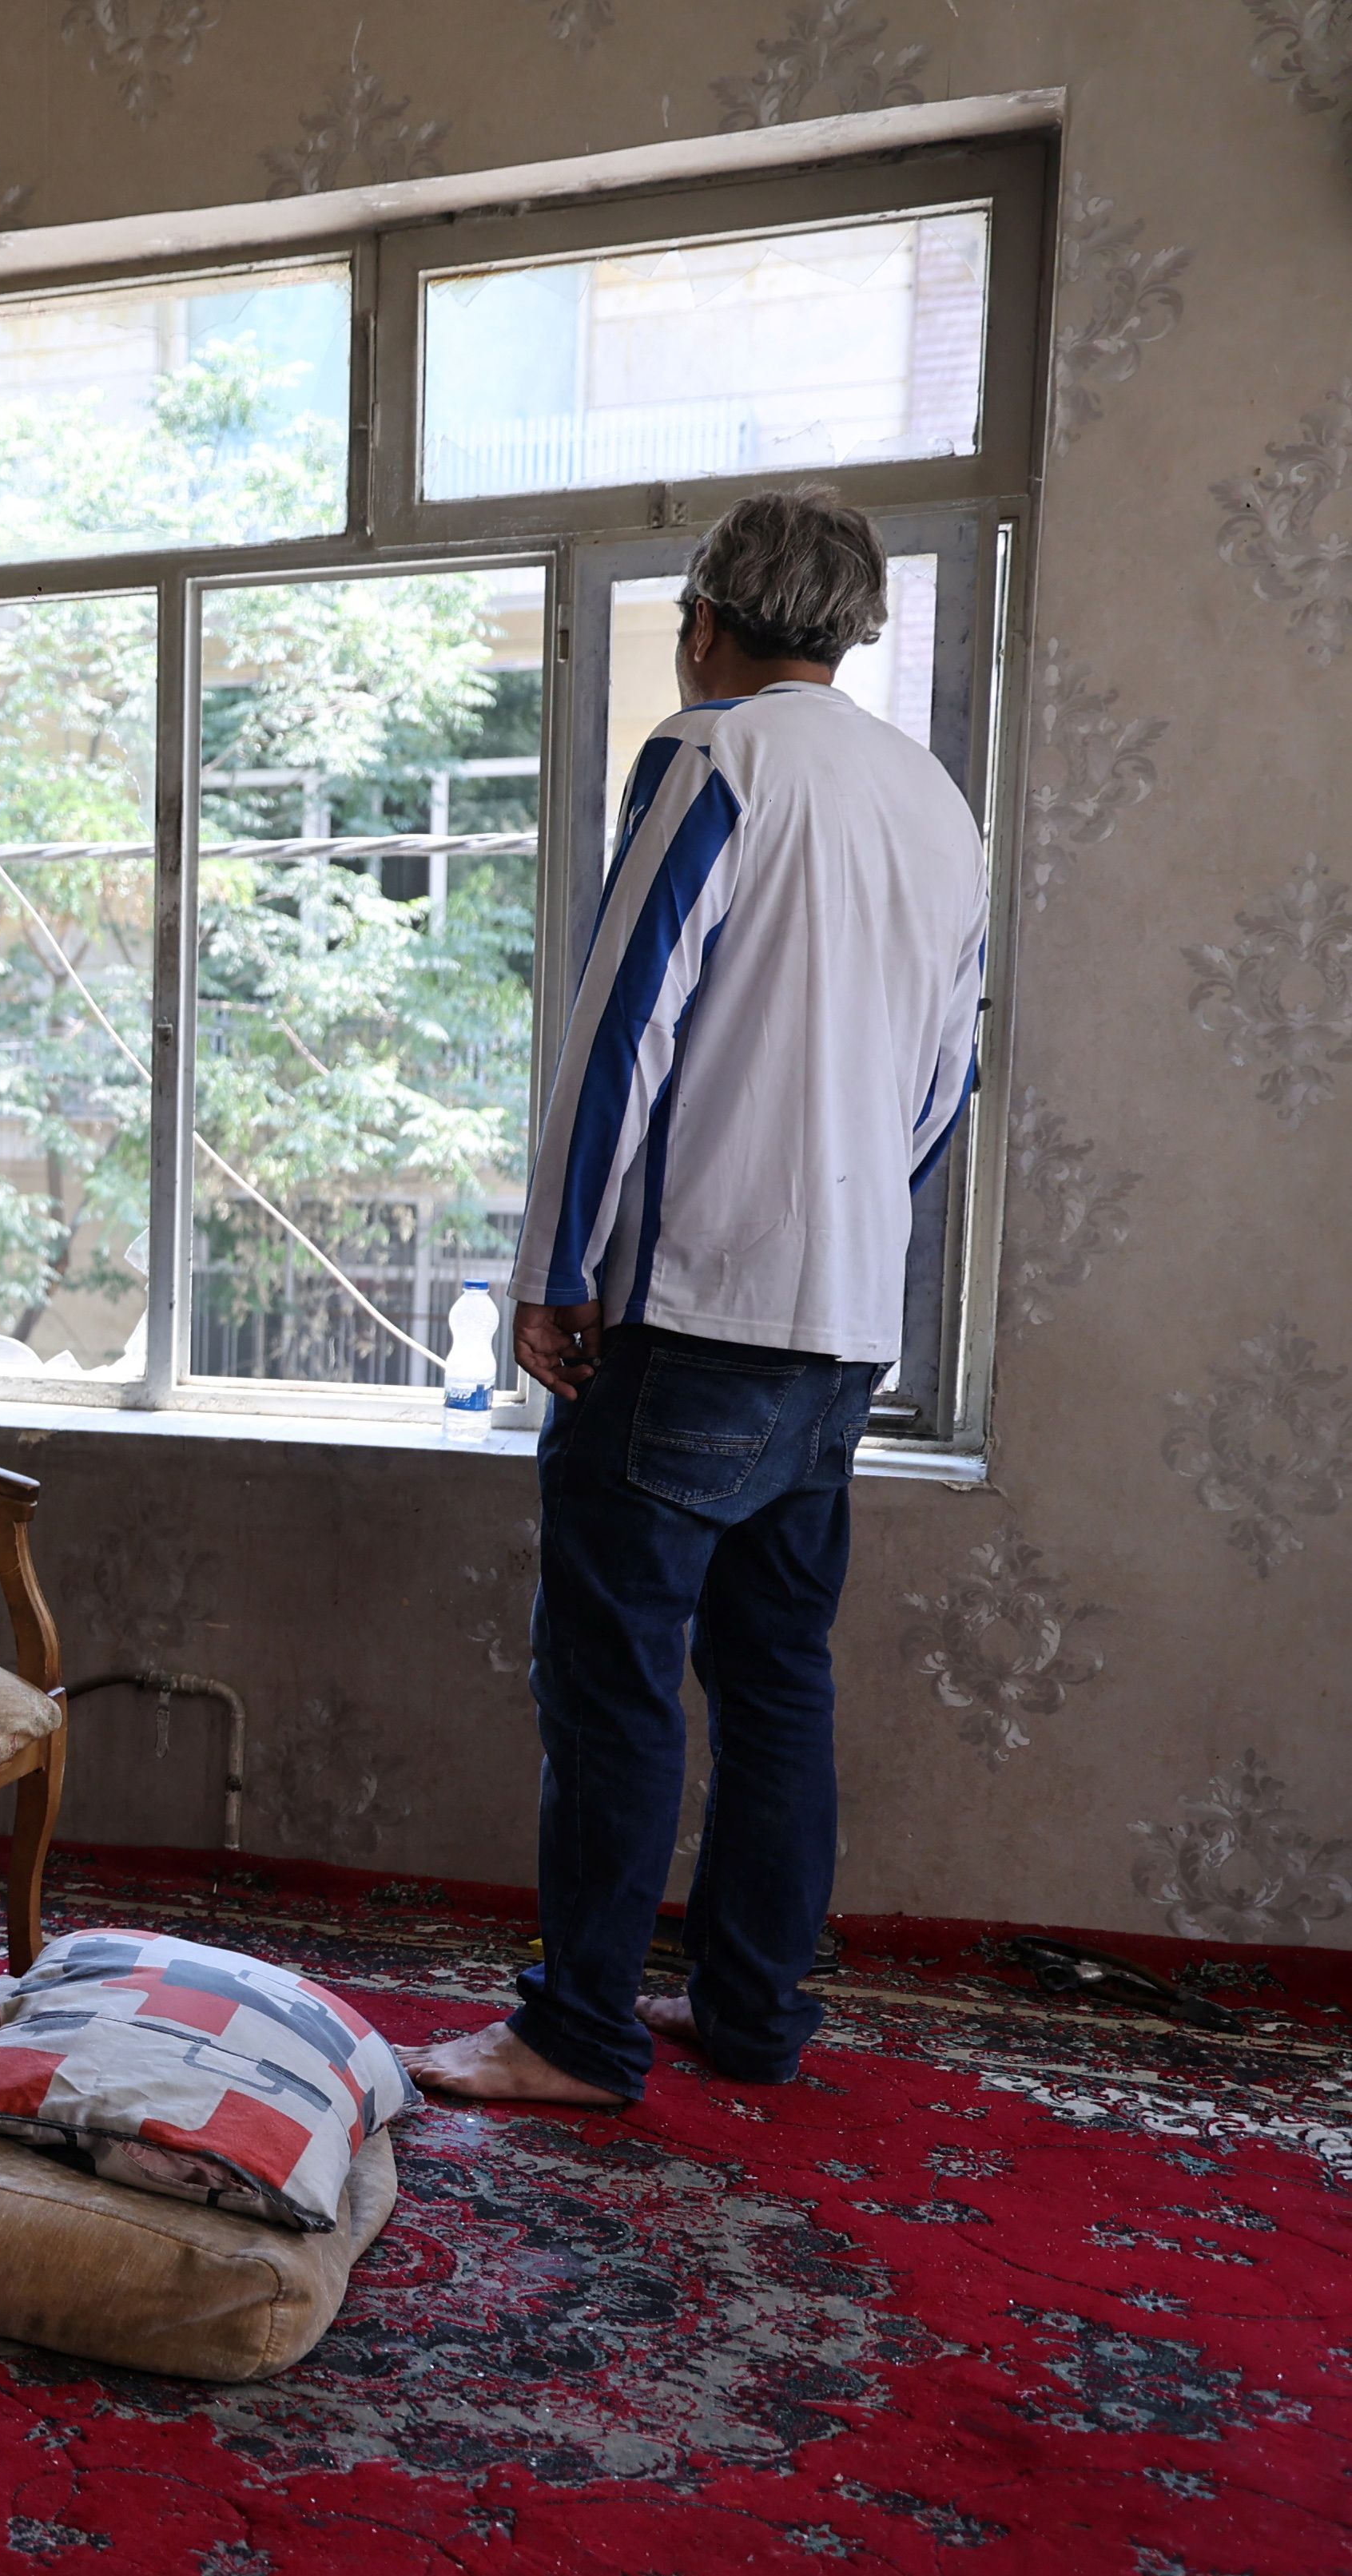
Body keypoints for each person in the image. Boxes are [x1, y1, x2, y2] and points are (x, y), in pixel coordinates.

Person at [404, 488, 984, 2113]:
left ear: (706, 621)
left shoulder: (710, 756)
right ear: (848, 627)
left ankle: (576, 2033)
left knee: (610, 1678)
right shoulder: (932, 800)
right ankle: (750, 2013)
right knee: (776, 1679)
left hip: (694, 1311)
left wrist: (551, 1274)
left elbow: (621, 1025)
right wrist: (849, 1236)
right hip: (840, 1324)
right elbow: (945, 1078)